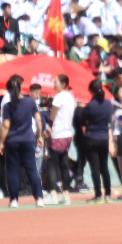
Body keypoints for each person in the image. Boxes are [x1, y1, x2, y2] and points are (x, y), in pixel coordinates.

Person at [0, 74, 44, 208]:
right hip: (28, 139)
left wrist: (1, 142)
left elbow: (6, 125)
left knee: (12, 170)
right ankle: (39, 198)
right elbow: (38, 120)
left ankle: (14, 200)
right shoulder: (30, 102)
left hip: (12, 140)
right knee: (32, 169)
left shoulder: (8, 106)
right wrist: (39, 136)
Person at [81, 79, 115, 203]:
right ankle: (108, 194)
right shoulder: (108, 104)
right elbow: (109, 120)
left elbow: (83, 121)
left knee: (94, 168)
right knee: (104, 167)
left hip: (91, 137)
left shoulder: (90, 105)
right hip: (104, 138)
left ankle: (98, 194)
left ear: (91, 91)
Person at [46, 74, 77, 204]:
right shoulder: (71, 97)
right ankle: (66, 194)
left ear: (63, 84)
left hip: (57, 133)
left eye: (56, 82)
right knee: (64, 164)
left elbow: (52, 116)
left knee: (52, 164)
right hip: (67, 133)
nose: (54, 84)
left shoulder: (58, 97)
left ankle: (53, 193)